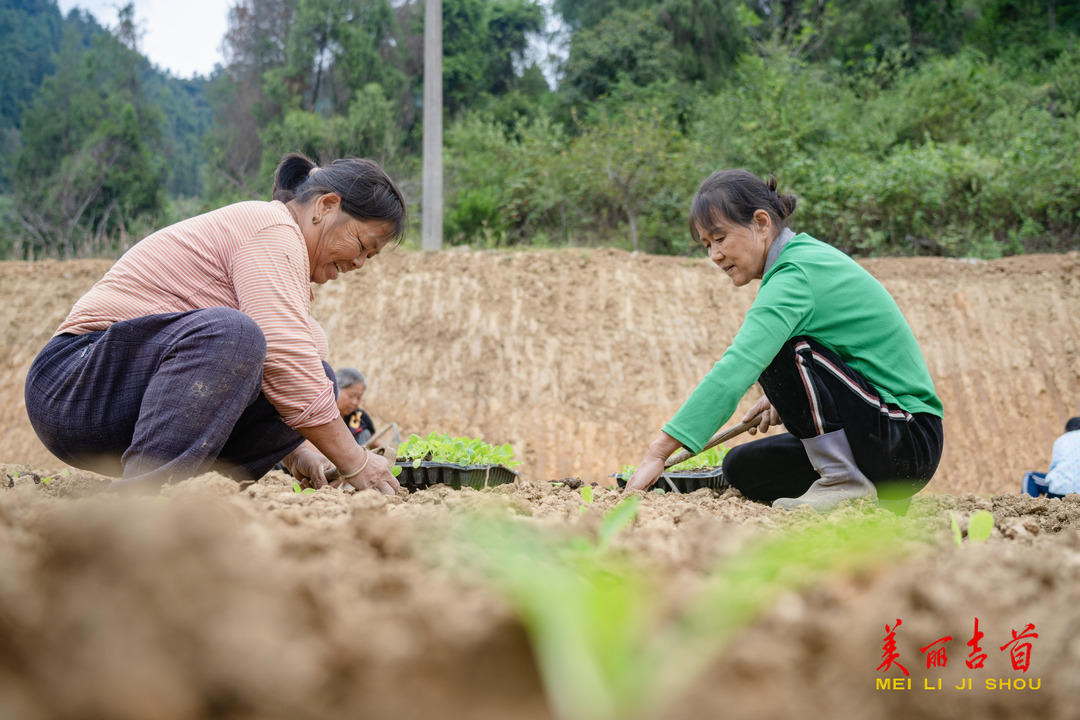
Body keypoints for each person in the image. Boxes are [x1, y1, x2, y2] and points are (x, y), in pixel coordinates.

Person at [24, 153, 405, 495]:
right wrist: (355, 460)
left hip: (121, 404)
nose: (359, 263)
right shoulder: (272, 228)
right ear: (326, 205)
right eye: (362, 245)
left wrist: (298, 451)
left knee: (316, 372)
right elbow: (282, 353)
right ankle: (141, 502)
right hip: (71, 385)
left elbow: (284, 373)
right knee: (236, 335)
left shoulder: (281, 253)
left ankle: (190, 499)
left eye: (369, 257)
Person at [625, 170, 944, 510]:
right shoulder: (800, 262)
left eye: (719, 239)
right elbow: (848, 361)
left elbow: (738, 366)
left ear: (761, 223)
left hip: (908, 440)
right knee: (743, 467)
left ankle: (842, 480)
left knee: (778, 351)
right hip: (882, 437)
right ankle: (874, 494)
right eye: (706, 245)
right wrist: (792, 395)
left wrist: (658, 453)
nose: (714, 255)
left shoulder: (796, 274)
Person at [1023, 417, 1080, 498]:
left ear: (1066, 431)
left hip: (1061, 491)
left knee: (1030, 476)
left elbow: (1054, 469)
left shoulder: (1062, 439)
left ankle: (1026, 506)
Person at [335, 367, 376, 445]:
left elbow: (376, 442)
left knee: (365, 433)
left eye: (359, 397)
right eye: (351, 396)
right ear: (336, 389)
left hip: (358, 455)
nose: (355, 402)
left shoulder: (360, 417)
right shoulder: (322, 415)